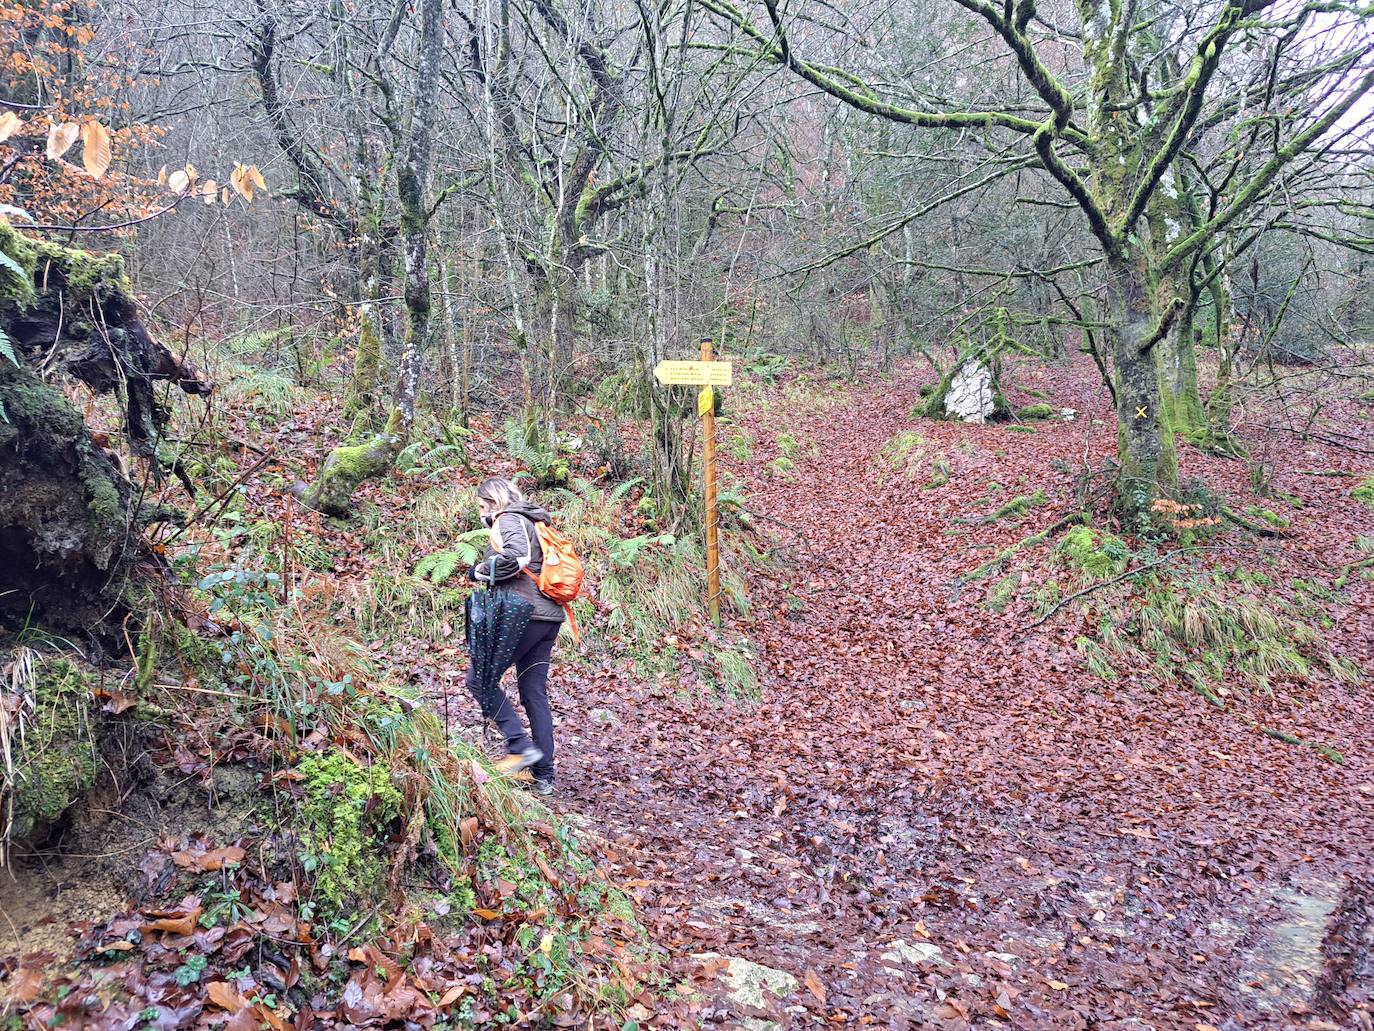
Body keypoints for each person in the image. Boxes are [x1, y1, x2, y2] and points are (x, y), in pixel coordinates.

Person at [468, 477, 564, 795]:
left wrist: (480, 571)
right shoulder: (536, 521)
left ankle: (520, 746)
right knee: (533, 692)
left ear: (493, 503)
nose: (482, 514)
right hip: (548, 617)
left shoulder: (508, 518)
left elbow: (518, 558)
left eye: (482, 507)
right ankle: (543, 775)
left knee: (479, 679)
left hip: (522, 614)